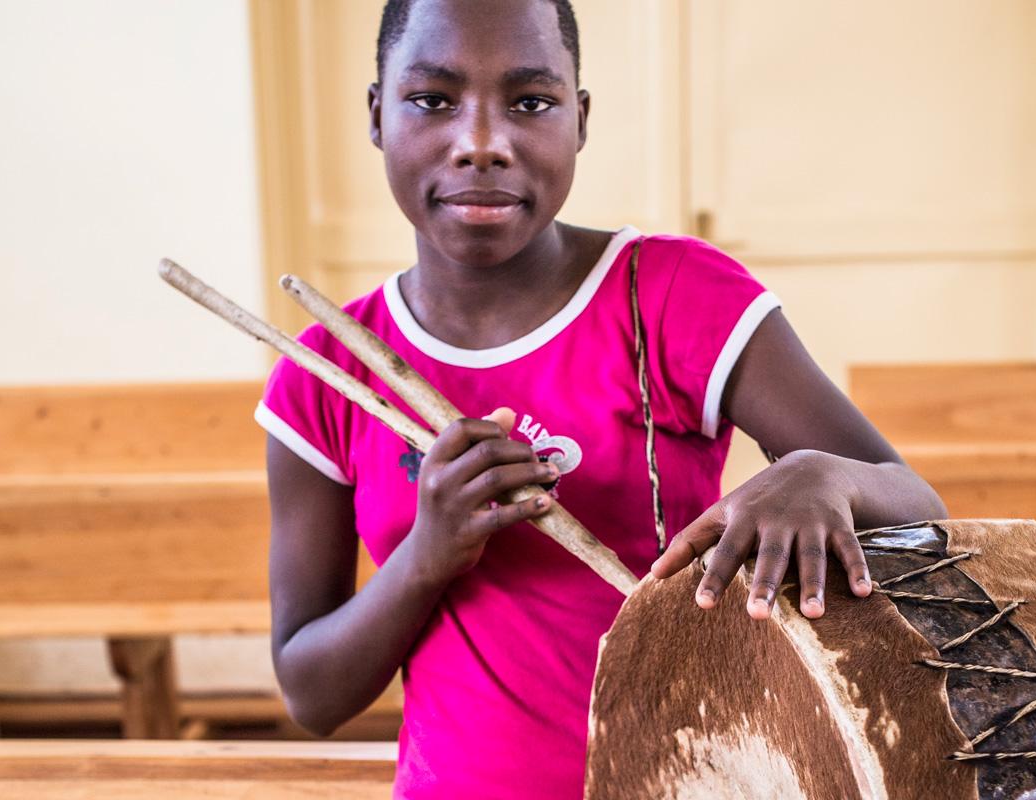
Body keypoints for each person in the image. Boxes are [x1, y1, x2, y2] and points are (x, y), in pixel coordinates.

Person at [255, 0, 946, 796]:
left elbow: (918, 505)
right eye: (432, 100)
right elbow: (312, 695)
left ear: (578, 119)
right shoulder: (326, 373)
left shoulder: (676, 296)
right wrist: (427, 554)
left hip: (692, 781)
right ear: (377, 114)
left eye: (531, 102)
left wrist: (823, 475)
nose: (481, 142)